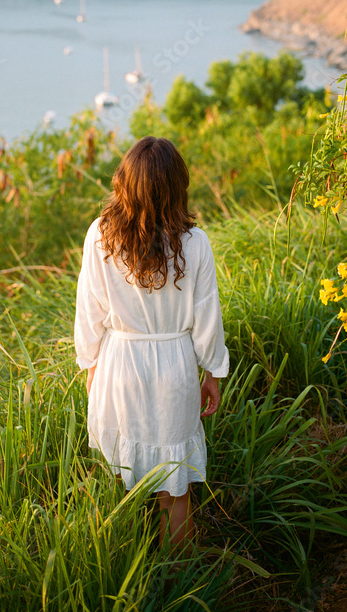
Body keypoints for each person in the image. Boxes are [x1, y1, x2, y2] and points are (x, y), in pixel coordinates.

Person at [74, 136, 229, 546]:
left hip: (118, 364)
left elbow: (88, 310)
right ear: (178, 184)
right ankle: (179, 580)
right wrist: (213, 371)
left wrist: (90, 365)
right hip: (174, 368)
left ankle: (126, 573)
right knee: (174, 487)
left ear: (124, 182)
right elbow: (207, 315)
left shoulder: (100, 236)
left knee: (120, 478)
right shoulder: (194, 243)